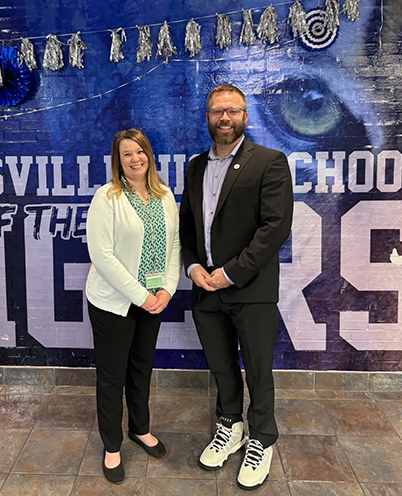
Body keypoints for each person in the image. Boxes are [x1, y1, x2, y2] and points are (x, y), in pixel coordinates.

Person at [179, 84, 293, 490]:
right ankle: (231, 425)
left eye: (232, 111)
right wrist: (192, 266)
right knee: (222, 368)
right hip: (204, 288)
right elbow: (188, 226)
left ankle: (262, 438)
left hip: (250, 289)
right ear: (207, 116)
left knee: (259, 371)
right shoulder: (194, 167)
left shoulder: (269, 162)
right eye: (216, 111)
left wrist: (229, 272)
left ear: (245, 116)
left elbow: (274, 228)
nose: (224, 119)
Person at [86, 128, 181, 484]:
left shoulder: (164, 195)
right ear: (118, 160)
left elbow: (174, 246)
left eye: (139, 151)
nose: (135, 159)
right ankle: (112, 446)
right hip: (114, 302)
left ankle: (140, 429)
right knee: (112, 376)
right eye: (127, 154)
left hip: (154, 300)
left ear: (148, 155)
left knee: (141, 368)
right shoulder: (106, 197)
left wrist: (167, 290)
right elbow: (102, 256)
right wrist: (140, 295)